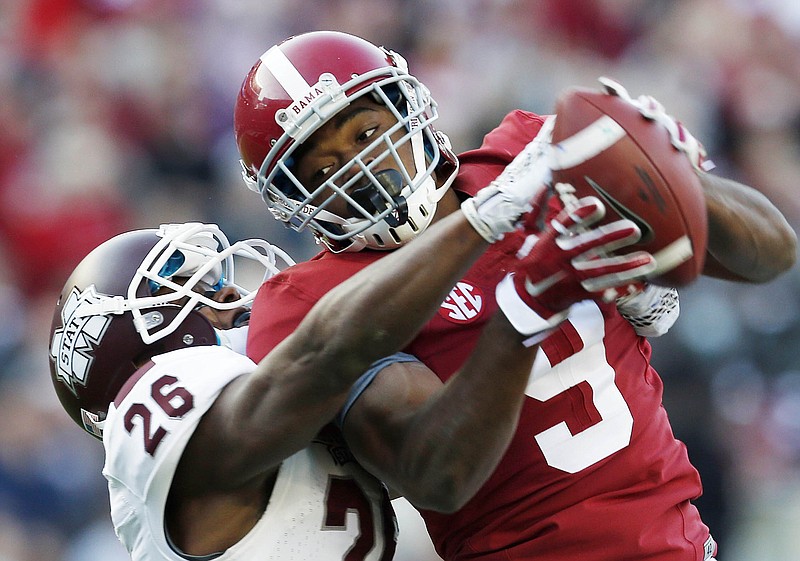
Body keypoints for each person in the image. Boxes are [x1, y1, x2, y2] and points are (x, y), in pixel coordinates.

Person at [234, 30, 798, 561]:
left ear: (411, 109)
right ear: (290, 196)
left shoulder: (529, 153)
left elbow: (772, 252)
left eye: (365, 134)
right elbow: (439, 475)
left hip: (673, 543)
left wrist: (654, 163)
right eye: (324, 167)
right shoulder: (310, 301)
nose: (361, 170)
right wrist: (528, 306)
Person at [48, 163, 652, 559]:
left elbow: (432, 440)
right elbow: (323, 356)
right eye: (198, 290)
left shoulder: (268, 412)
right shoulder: (164, 407)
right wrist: (477, 227)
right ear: (143, 338)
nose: (232, 299)